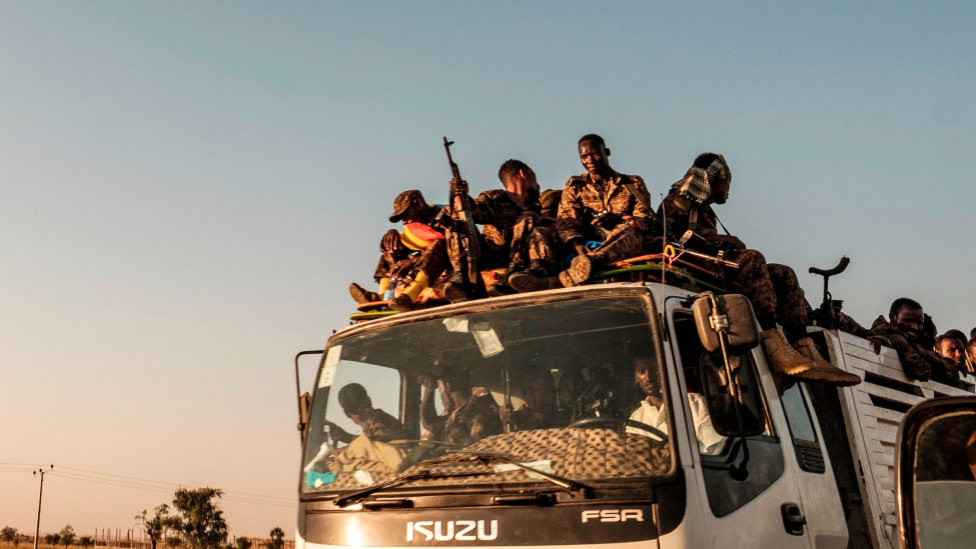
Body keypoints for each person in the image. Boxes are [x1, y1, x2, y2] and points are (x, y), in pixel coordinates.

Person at [658, 153, 860, 387]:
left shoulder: (703, 208)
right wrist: (719, 239)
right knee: (752, 259)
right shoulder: (676, 202)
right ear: (716, 182)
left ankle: (805, 349)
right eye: (727, 183)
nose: (728, 189)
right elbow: (667, 238)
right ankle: (773, 342)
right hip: (693, 267)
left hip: (716, 264)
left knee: (784, 273)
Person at [447, 159, 560, 297]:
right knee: (456, 219)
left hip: (521, 259)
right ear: (523, 173)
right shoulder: (496, 198)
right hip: (491, 254)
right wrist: (463, 199)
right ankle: (459, 274)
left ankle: (515, 272)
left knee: (530, 217)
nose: (537, 183)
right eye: (534, 176)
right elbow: (475, 213)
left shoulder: (535, 207)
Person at [555, 134, 656, 288]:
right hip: (589, 244)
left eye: (595, 154)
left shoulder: (632, 183)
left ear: (606, 152)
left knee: (632, 231)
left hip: (626, 243)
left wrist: (619, 218)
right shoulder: (575, 186)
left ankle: (591, 263)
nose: (590, 160)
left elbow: (645, 220)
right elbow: (567, 220)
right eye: (584, 156)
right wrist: (576, 245)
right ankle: (545, 272)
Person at [349, 190, 452, 312]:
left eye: (405, 215)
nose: (404, 221)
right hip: (424, 263)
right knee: (392, 247)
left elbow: (450, 250)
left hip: (451, 263)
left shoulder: (448, 215)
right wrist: (390, 234)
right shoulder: (415, 224)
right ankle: (382, 297)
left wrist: (412, 262)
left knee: (438, 244)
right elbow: (405, 241)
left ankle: (410, 295)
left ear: (418, 205)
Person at [627, 357, 725, 455]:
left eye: (654, 370)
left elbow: (715, 449)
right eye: (642, 371)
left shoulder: (692, 402)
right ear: (636, 377)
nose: (648, 377)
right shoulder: (636, 418)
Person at [317, 383, 409, 474]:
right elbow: (373, 441)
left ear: (346, 413)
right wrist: (346, 437)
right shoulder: (378, 417)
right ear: (369, 400)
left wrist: (343, 449)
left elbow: (373, 445)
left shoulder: (374, 418)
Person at [867, 298, 958, 382]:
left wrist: (925, 354)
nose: (914, 327)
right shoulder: (893, 336)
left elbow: (955, 373)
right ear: (892, 317)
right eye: (908, 320)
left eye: (919, 323)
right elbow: (923, 372)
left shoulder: (909, 341)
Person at [420, 369, 503, 448]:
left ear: (448, 386)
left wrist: (429, 389)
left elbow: (476, 447)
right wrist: (429, 389)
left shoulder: (476, 410)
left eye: (439, 387)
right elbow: (430, 423)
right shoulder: (457, 413)